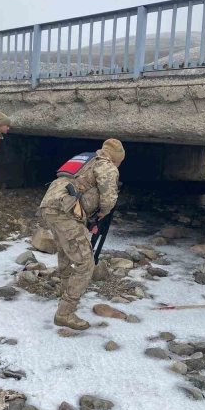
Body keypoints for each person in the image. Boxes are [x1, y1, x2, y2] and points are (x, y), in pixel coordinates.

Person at [37, 139, 125, 329]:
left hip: (50, 207)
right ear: (117, 158)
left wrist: (86, 221)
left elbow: (78, 189)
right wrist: (102, 214)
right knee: (86, 263)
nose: (118, 165)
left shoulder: (87, 159)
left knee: (65, 250)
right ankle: (65, 313)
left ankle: (64, 291)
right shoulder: (107, 166)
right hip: (64, 212)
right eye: (120, 161)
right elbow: (109, 199)